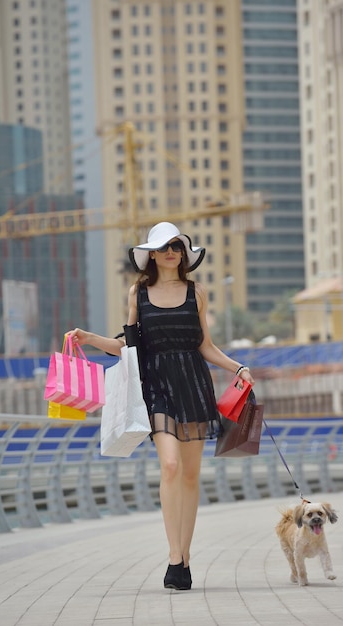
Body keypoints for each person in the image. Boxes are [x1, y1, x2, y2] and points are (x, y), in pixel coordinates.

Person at [68, 221, 254, 591]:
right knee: (169, 466)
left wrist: (239, 368)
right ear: (152, 255)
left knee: (188, 475)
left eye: (177, 247)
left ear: (183, 255)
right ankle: (173, 557)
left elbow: (206, 346)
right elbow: (129, 345)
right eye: (165, 247)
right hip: (156, 386)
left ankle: (185, 558)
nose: (172, 252)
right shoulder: (137, 293)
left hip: (193, 382)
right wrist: (90, 339)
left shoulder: (195, 293)